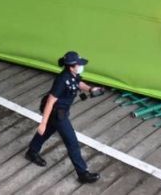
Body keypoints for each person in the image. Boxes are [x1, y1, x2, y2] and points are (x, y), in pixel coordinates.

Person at [24, 51, 102, 184]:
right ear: (71, 66)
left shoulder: (73, 75)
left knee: (47, 131)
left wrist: (90, 89)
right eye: (78, 64)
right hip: (57, 114)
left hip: (62, 112)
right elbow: (50, 101)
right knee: (72, 143)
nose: (80, 66)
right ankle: (83, 173)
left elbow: (78, 83)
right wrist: (43, 122)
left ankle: (32, 151)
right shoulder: (61, 80)